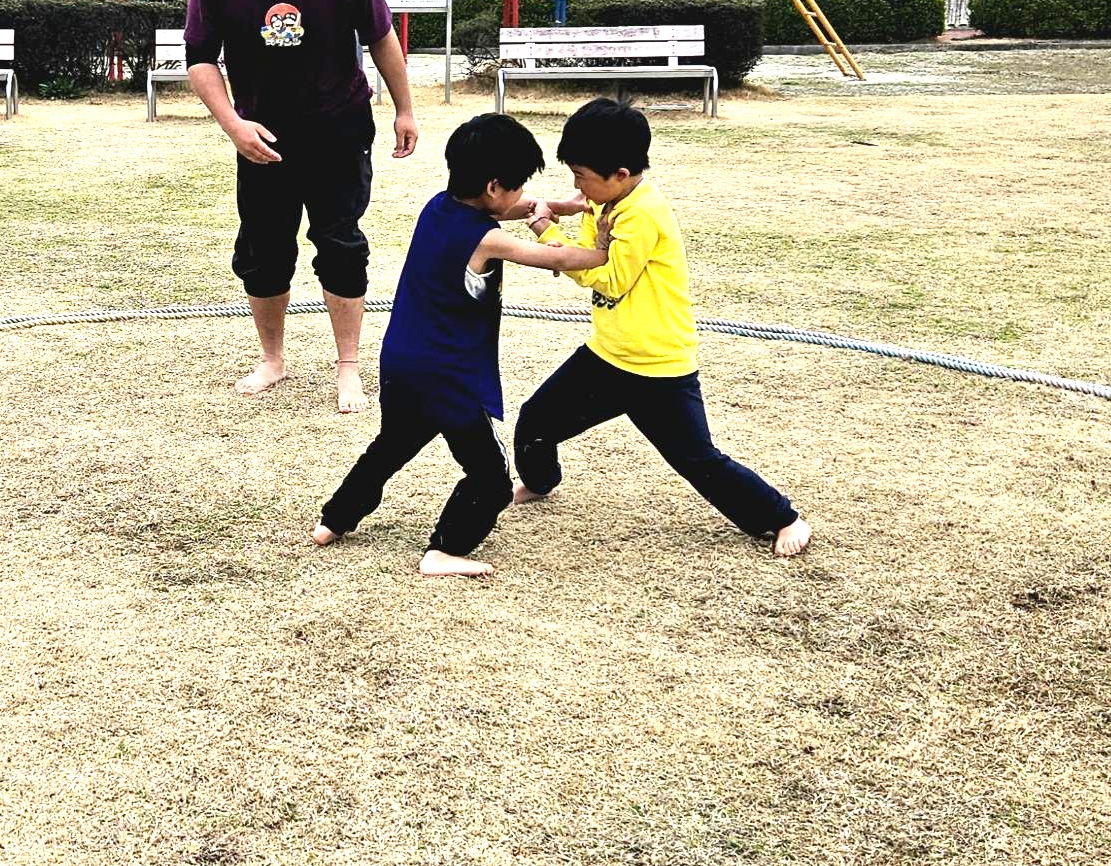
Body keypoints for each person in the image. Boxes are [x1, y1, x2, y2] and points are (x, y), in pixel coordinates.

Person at [514, 98, 812, 557]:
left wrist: (548, 236)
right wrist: (579, 223)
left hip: (656, 368)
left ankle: (782, 517)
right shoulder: (608, 200)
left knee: (697, 459)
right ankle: (540, 482)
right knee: (536, 421)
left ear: (620, 173)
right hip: (608, 355)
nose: (577, 186)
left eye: (582, 176)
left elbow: (610, 278)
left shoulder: (641, 213)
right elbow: (590, 246)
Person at [313, 114, 609, 577]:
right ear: (492, 187)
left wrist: (560, 206)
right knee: (491, 478)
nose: (521, 195)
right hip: (448, 376)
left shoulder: (439, 207)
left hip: (403, 363)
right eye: (517, 185)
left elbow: (509, 207)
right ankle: (445, 549)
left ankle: (333, 520)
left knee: (391, 446)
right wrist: (605, 251)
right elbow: (555, 257)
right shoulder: (487, 239)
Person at [184, 0, 418, 411]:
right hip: (262, 135)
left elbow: (381, 37)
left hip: (339, 126)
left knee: (341, 244)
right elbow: (200, 59)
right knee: (264, 248)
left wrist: (405, 109)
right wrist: (233, 124)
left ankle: (348, 365)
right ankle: (272, 358)